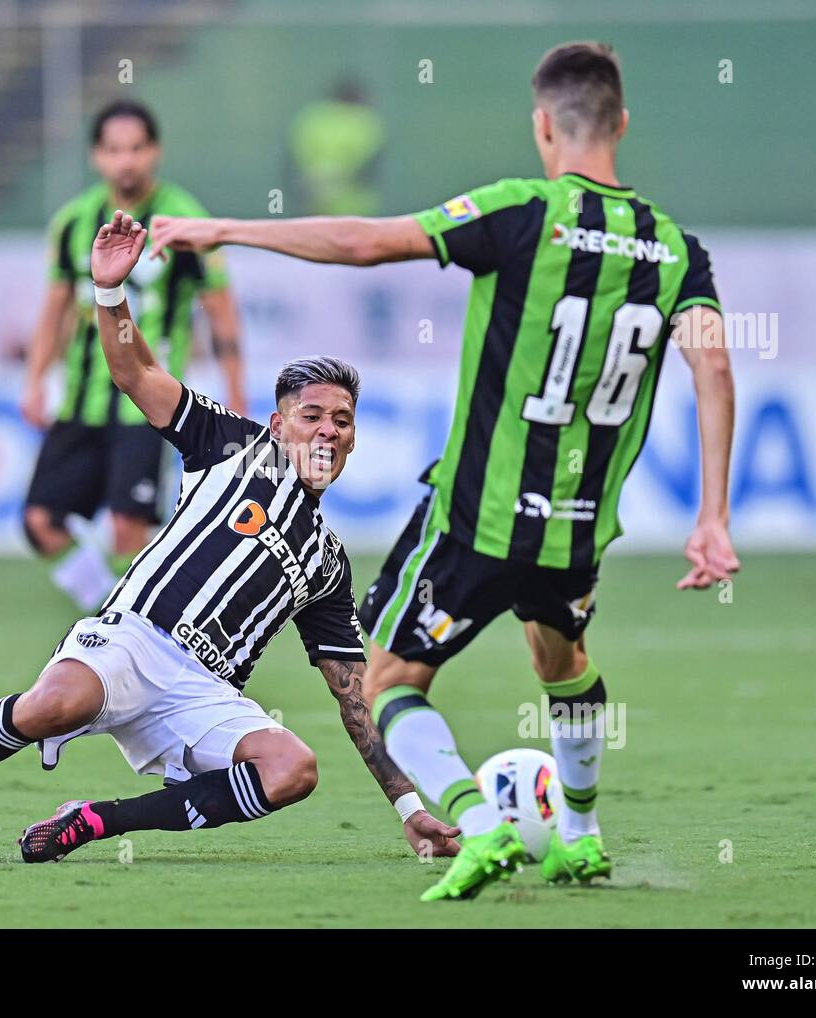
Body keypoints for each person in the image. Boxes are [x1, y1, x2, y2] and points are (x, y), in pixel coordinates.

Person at [150, 41, 740, 900]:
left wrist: (229, 228)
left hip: (479, 512)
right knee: (561, 659)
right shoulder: (677, 250)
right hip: (577, 522)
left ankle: (482, 820)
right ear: (621, 123)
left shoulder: (520, 212)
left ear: (543, 126)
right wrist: (712, 516)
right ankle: (579, 835)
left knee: (388, 679)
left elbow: (363, 241)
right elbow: (714, 368)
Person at [0, 211, 457, 866]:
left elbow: (353, 699)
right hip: (134, 638)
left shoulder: (328, 564)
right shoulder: (230, 445)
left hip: (203, 692)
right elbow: (135, 373)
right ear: (279, 423)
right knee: (57, 705)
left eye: (342, 420)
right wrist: (110, 292)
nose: (328, 430)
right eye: (311, 415)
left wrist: (407, 805)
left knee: (292, 770)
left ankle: (93, 821)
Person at [21, 100, 246, 610]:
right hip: (82, 399)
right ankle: (111, 609)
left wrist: (235, 395)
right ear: (97, 156)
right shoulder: (74, 223)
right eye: (114, 150)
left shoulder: (186, 222)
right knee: (40, 523)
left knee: (129, 528)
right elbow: (54, 311)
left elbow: (222, 315)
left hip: (146, 404)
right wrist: (34, 380)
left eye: (136, 148)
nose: (126, 161)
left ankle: (133, 631)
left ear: (155, 152)